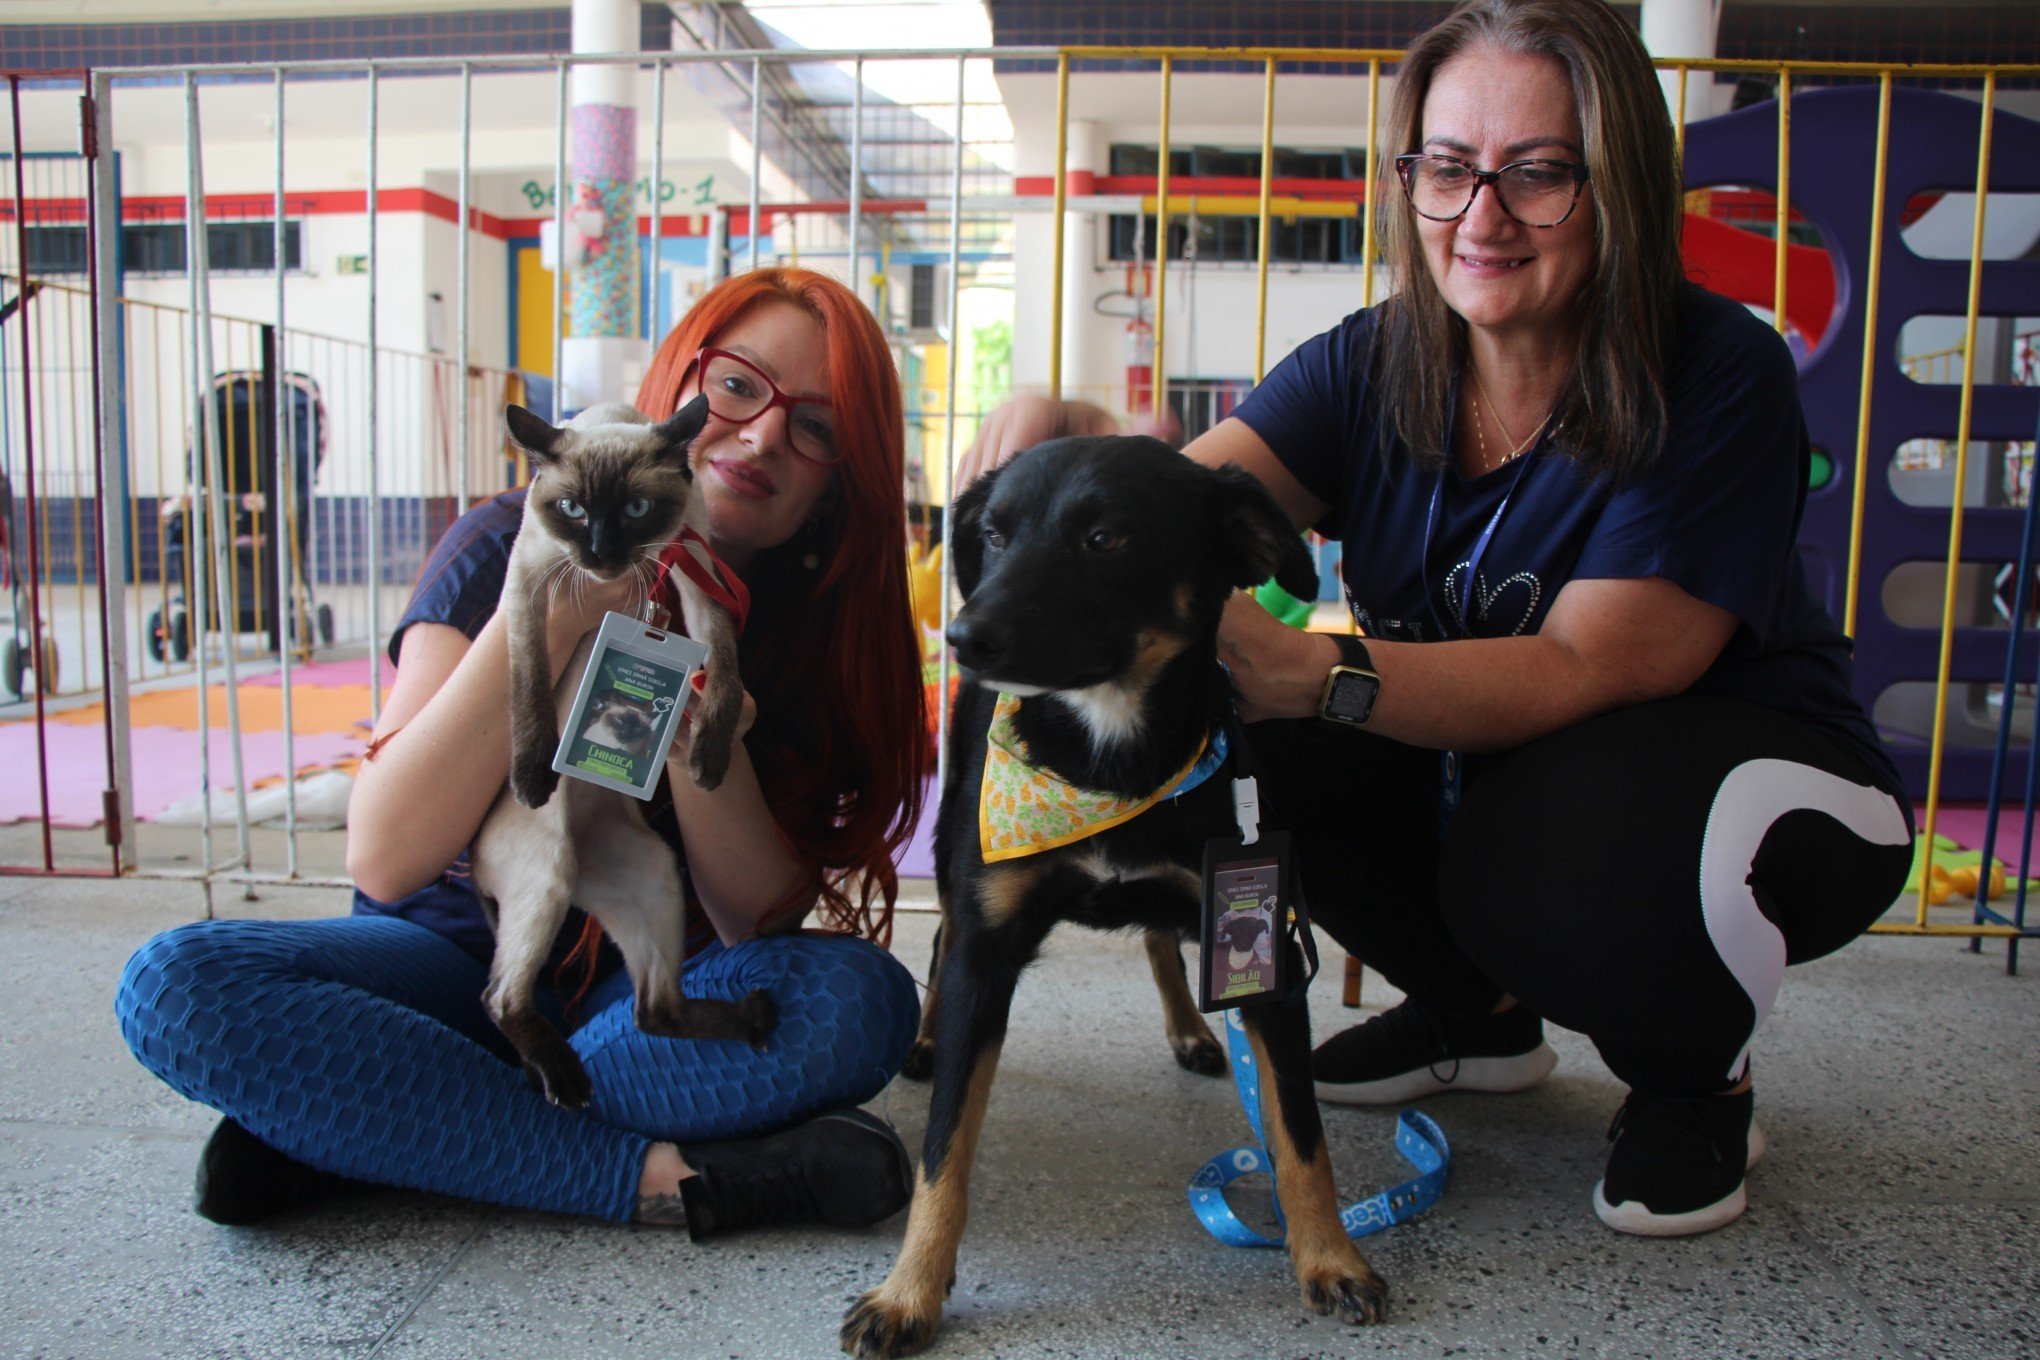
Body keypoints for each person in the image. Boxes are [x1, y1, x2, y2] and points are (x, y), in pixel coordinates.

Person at [961, 0, 1911, 1238]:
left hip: (1760, 782)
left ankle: (1693, 1081)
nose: (1482, 215)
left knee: (1557, 830)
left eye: (1539, 174)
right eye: (1449, 169)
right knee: (1265, 747)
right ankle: (1480, 1017)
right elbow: (1169, 513)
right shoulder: (1376, 361)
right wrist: (1054, 452)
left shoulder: (1713, 367)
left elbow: (1596, 664)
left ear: (1617, 182)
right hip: (1510, 772)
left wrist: (1317, 672)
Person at [116, 268, 933, 1238]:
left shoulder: (813, 628)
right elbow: (384, 853)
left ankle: (389, 1123)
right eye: (738, 385)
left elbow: (755, 917)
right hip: (439, 967)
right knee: (177, 985)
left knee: (861, 1001)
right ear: (678, 385)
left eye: (818, 428)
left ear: (845, 480)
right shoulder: (510, 535)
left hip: (642, 1004)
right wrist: (560, 612)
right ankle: (660, 1177)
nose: (761, 434)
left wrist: (687, 703)